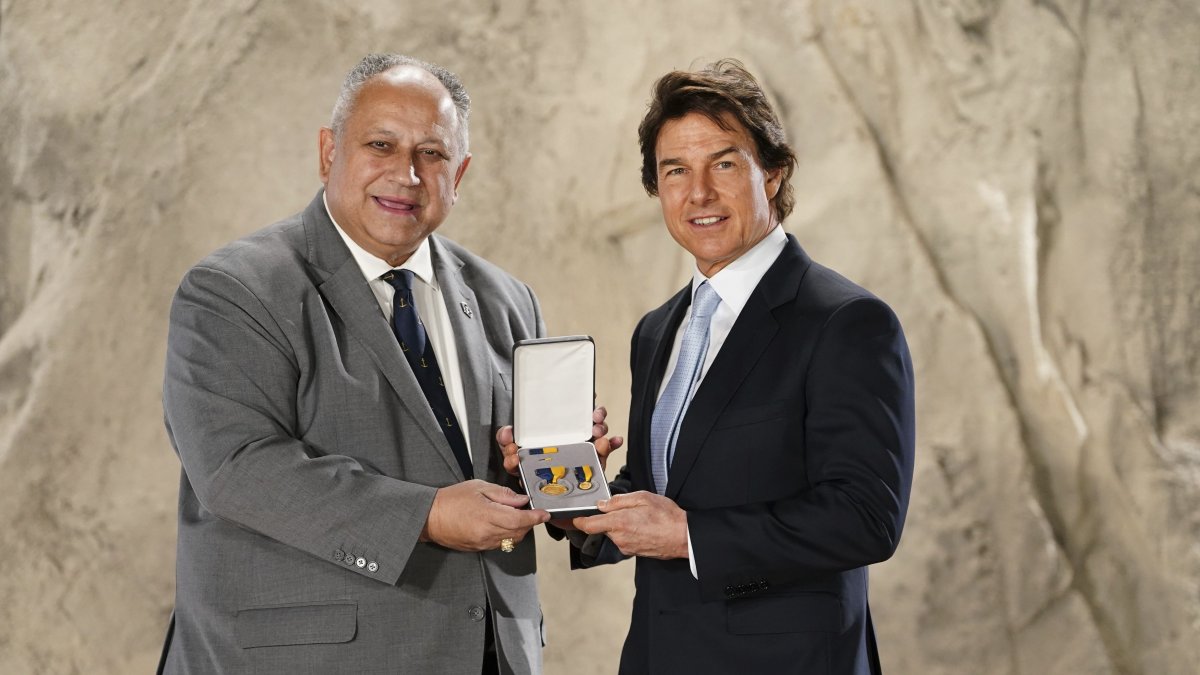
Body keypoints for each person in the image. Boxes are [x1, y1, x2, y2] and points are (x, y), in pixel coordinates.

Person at [158, 53, 614, 675]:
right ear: (328, 152)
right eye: (381, 144)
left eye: (433, 154)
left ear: (462, 174)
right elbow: (237, 469)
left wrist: (559, 479)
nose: (407, 174)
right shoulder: (235, 290)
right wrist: (427, 516)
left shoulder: (505, 298)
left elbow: (503, 478)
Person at [506, 59, 916, 674]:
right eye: (676, 171)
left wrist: (690, 535)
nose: (699, 192)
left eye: (723, 163)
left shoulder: (846, 322)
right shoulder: (657, 329)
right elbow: (662, 494)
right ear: (657, 188)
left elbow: (866, 518)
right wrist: (570, 495)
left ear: (772, 174)